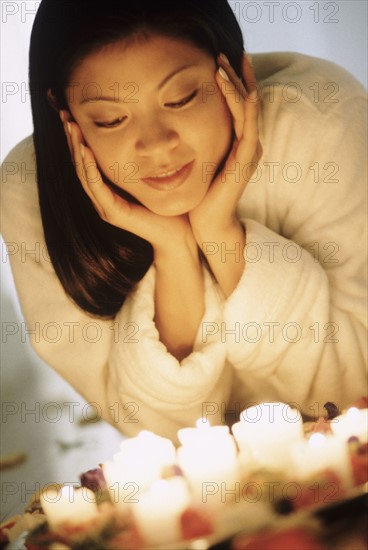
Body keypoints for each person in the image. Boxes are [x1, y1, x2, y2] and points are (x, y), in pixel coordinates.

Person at [1, 0, 366, 443]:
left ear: (232, 70)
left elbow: (352, 394)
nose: (156, 146)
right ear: (67, 117)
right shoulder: (30, 192)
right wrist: (174, 253)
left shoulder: (318, 121)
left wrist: (220, 234)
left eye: (181, 98)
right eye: (111, 119)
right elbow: (158, 435)